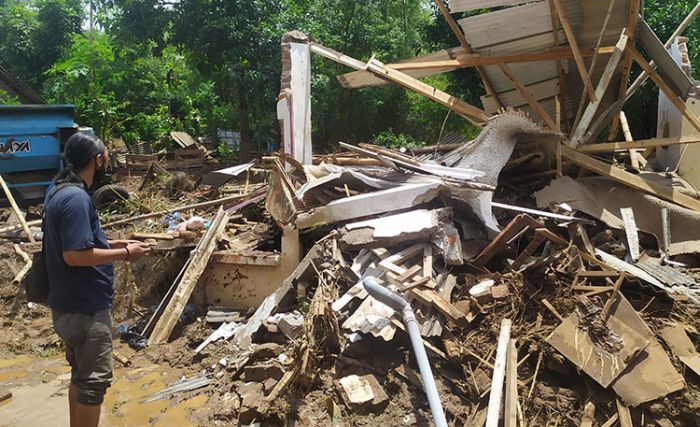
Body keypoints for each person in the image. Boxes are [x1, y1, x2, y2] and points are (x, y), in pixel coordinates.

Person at [43, 132, 150, 427]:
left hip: (68, 306)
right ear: (97, 159)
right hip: (85, 310)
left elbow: (80, 244)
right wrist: (126, 254)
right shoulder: (76, 199)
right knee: (94, 384)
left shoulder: (58, 190)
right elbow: (75, 255)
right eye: (104, 155)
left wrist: (115, 245)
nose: (106, 160)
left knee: (80, 376)